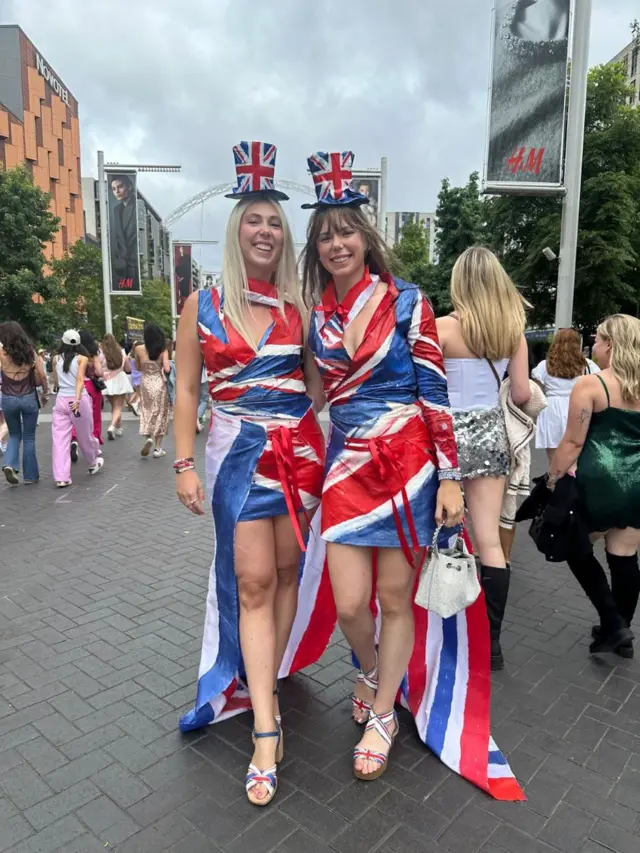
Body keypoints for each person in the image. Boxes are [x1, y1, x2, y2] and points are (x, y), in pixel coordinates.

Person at [302, 151, 466, 783]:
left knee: (394, 598)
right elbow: (312, 397)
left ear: (365, 238)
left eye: (346, 231)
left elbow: (434, 391)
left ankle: (383, 716)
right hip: (346, 468)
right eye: (325, 235)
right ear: (315, 248)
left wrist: (449, 474)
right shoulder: (316, 317)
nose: (337, 243)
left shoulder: (408, 303)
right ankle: (372, 675)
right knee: (350, 605)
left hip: (408, 467)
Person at [175, 142, 331, 807]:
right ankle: (265, 725)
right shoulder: (201, 305)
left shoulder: (300, 308)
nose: (264, 230)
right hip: (236, 458)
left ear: (283, 233)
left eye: (274, 220)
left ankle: (267, 670)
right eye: (253, 219)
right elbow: (185, 391)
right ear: (237, 231)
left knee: (290, 573)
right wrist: (183, 462)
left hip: (297, 457)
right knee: (254, 580)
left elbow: (323, 388)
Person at [436, 246, 531, 671]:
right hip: (491, 435)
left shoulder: (440, 329)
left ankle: (437, 625)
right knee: (490, 540)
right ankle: (491, 641)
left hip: (444, 443)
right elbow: (522, 395)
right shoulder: (513, 332)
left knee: (437, 531)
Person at [550, 315, 640, 658]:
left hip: (600, 480)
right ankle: (621, 633)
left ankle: (613, 622)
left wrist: (553, 477)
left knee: (576, 547)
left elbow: (573, 442)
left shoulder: (591, 385)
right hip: (638, 483)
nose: (595, 345)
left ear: (612, 345)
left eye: (599, 339)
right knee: (624, 554)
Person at [532, 328, 599, 462]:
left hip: (551, 411)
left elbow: (536, 393)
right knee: (576, 457)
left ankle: (553, 482)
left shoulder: (544, 366)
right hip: (578, 408)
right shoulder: (588, 366)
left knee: (554, 461)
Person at [51, 330, 104, 487]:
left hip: (61, 400)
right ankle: (93, 461)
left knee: (59, 440)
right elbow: (80, 380)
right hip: (78, 401)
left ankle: (61, 477)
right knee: (85, 435)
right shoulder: (82, 358)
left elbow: (56, 381)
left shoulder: (55, 359)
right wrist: (78, 399)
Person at [0, 322, 49, 485]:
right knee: (29, 437)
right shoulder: (30, 352)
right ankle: (30, 475)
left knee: (14, 434)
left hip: (8, 398)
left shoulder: (1, 353)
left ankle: (9, 464)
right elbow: (41, 375)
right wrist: (45, 393)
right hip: (28, 397)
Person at [136, 323, 171, 458]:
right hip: (159, 383)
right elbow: (167, 369)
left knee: (146, 411)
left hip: (145, 383)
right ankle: (157, 448)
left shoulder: (139, 349)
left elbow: (138, 367)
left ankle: (147, 438)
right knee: (160, 413)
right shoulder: (163, 350)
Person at [70, 329, 105, 462]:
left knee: (76, 415)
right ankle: (94, 442)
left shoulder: (74, 354)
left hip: (76, 387)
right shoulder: (92, 354)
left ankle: (74, 438)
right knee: (95, 417)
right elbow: (100, 372)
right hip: (91, 386)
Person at [109, 174, 140, 290]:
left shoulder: (137, 206)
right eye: (113, 189)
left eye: (120, 187)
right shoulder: (116, 210)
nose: (117, 191)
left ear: (130, 187)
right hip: (121, 266)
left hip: (134, 264)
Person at [101, 333, 133, 440]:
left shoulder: (102, 354)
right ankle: (112, 426)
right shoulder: (122, 352)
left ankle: (118, 428)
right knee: (118, 407)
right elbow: (128, 368)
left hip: (107, 382)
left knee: (113, 406)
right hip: (120, 379)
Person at [127, 339, 142, 416]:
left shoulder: (130, 354)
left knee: (137, 392)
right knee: (141, 393)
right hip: (140, 374)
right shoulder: (140, 355)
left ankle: (131, 402)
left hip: (133, 375)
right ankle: (136, 405)